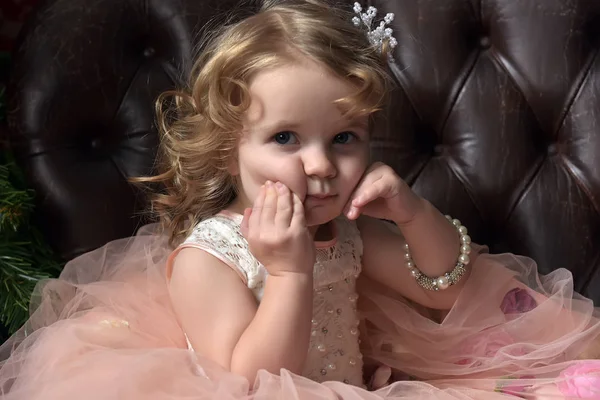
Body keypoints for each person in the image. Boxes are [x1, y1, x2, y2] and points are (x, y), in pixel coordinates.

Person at [1, 1, 600, 399]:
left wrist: (413, 214)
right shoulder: (210, 256)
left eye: (344, 139)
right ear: (229, 142)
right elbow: (247, 379)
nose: (318, 165)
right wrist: (289, 272)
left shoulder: (348, 231)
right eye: (285, 138)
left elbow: (444, 288)